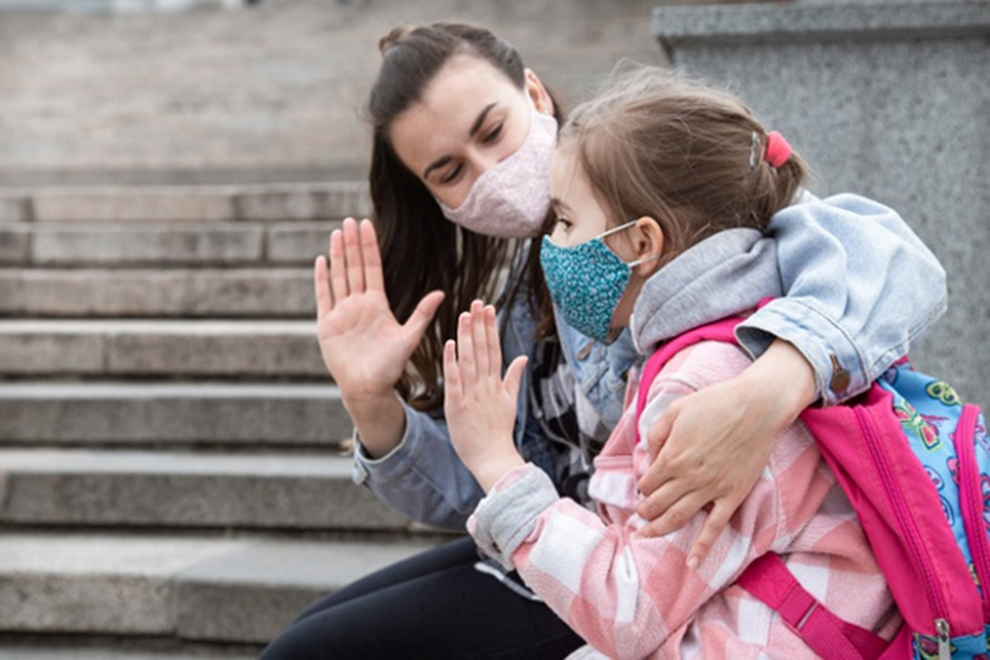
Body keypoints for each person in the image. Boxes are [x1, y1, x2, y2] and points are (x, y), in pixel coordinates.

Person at [260, 24, 942, 659]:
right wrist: (373, 403)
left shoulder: (664, 187)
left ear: (533, 93)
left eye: (492, 131)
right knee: (308, 634)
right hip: (583, 547)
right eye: (449, 172)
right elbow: (488, 482)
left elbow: (886, 257)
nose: (487, 171)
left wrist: (770, 390)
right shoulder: (526, 289)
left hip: (639, 579)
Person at [444, 66, 903, 659]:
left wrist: (496, 461)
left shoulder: (700, 385)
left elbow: (632, 611)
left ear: (641, 243)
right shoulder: (749, 329)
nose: (552, 243)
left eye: (566, 220)